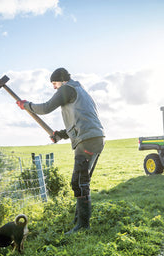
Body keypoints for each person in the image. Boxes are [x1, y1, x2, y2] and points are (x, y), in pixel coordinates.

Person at [17, 67, 105, 234]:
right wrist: (60, 134)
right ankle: (79, 220)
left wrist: (26, 105)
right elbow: (81, 120)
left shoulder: (67, 89)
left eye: (54, 83)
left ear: (62, 80)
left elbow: (46, 108)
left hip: (87, 141)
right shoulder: (80, 91)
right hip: (93, 138)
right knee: (79, 181)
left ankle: (83, 226)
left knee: (80, 182)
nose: (54, 87)